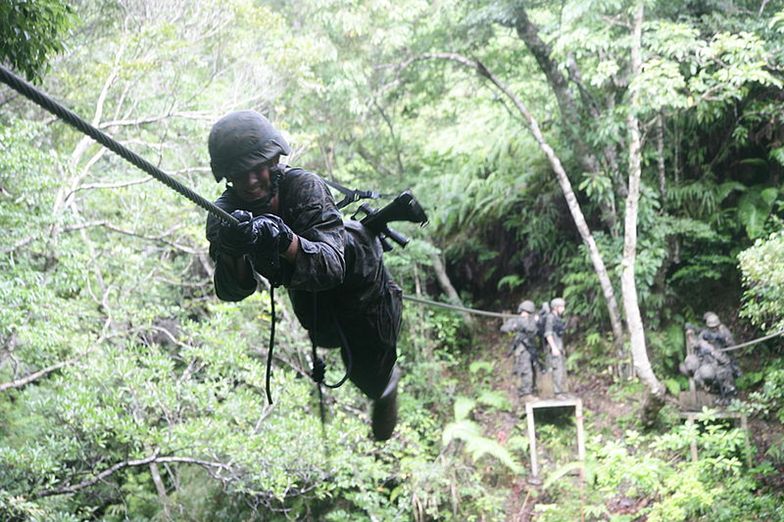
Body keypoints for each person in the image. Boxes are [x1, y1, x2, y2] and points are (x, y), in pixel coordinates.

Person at [204, 110, 408, 441]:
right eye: (241, 174)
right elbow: (232, 291)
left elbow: (331, 267)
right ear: (227, 176)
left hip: (360, 278)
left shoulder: (304, 187)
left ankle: (387, 385)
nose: (252, 180)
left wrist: (283, 239)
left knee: (372, 373)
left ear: (272, 161)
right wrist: (232, 249)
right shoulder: (224, 215)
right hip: (306, 288)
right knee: (327, 338)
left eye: (258, 167)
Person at [680, 323, 738, 404]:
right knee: (697, 372)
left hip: (718, 367)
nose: (692, 344)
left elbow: (721, 357)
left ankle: (726, 396)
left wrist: (724, 363)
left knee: (711, 374)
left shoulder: (705, 346)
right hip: (705, 368)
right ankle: (715, 392)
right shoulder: (697, 348)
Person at [501, 300, 540, 402]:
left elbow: (534, 330)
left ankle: (531, 390)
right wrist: (515, 326)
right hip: (522, 349)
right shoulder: (517, 320)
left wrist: (535, 321)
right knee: (526, 371)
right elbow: (504, 328)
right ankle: (525, 394)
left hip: (531, 349)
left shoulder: (532, 320)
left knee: (533, 370)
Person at [544, 297, 567, 396]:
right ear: (556, 307)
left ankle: (560, 391)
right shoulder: (550, 318)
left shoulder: (557, 318)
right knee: (557, 370)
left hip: (559, 347)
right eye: (562, 307)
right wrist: (554, 348)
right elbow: (548, 334)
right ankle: (557, 393)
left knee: (560, 370)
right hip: (555, 349)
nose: (563, 309)